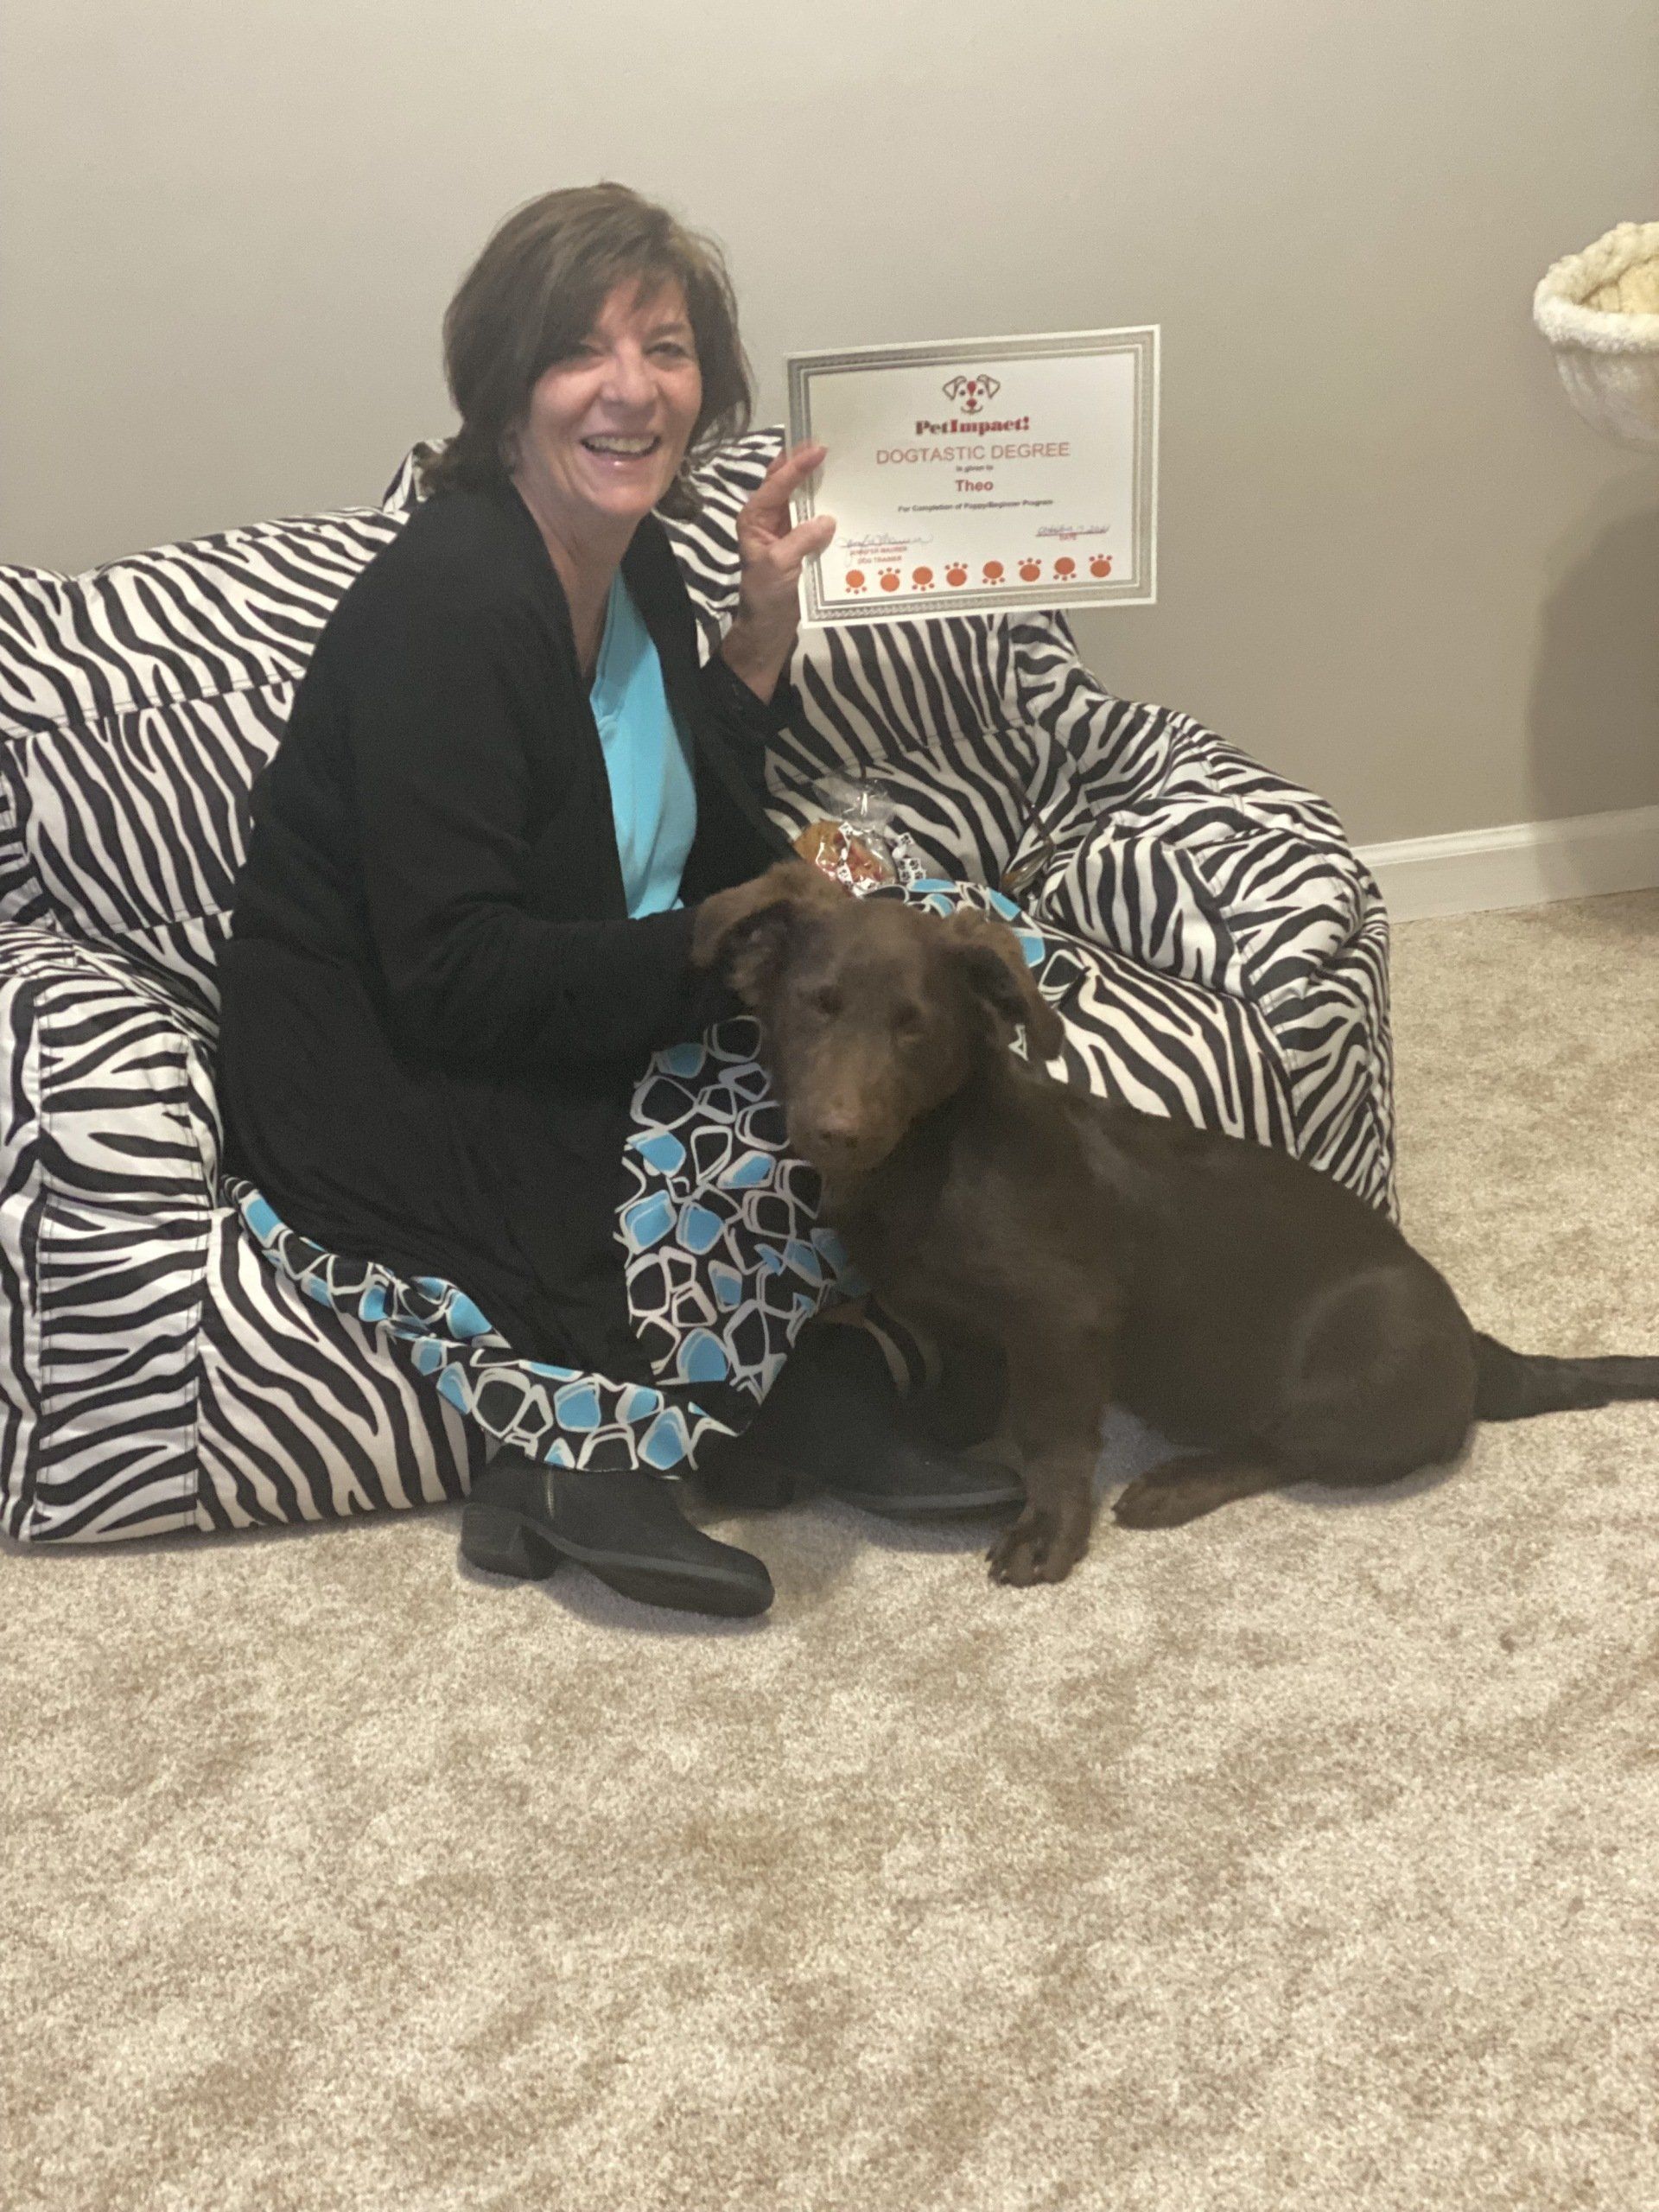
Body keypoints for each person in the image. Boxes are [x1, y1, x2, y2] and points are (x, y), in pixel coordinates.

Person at [217, 183, 1020, 1620]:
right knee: (725, 1119)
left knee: (918, 985)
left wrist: (759, 636)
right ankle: (582, 1457)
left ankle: (804, 1389)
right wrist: (728, 950)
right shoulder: (450, 608)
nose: (632, 389)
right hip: (382, 1053)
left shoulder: (634, 558)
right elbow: (453, 975)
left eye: (667, 345)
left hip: (565, 970)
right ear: (506, 383)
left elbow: (681, 809)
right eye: (583, 349)